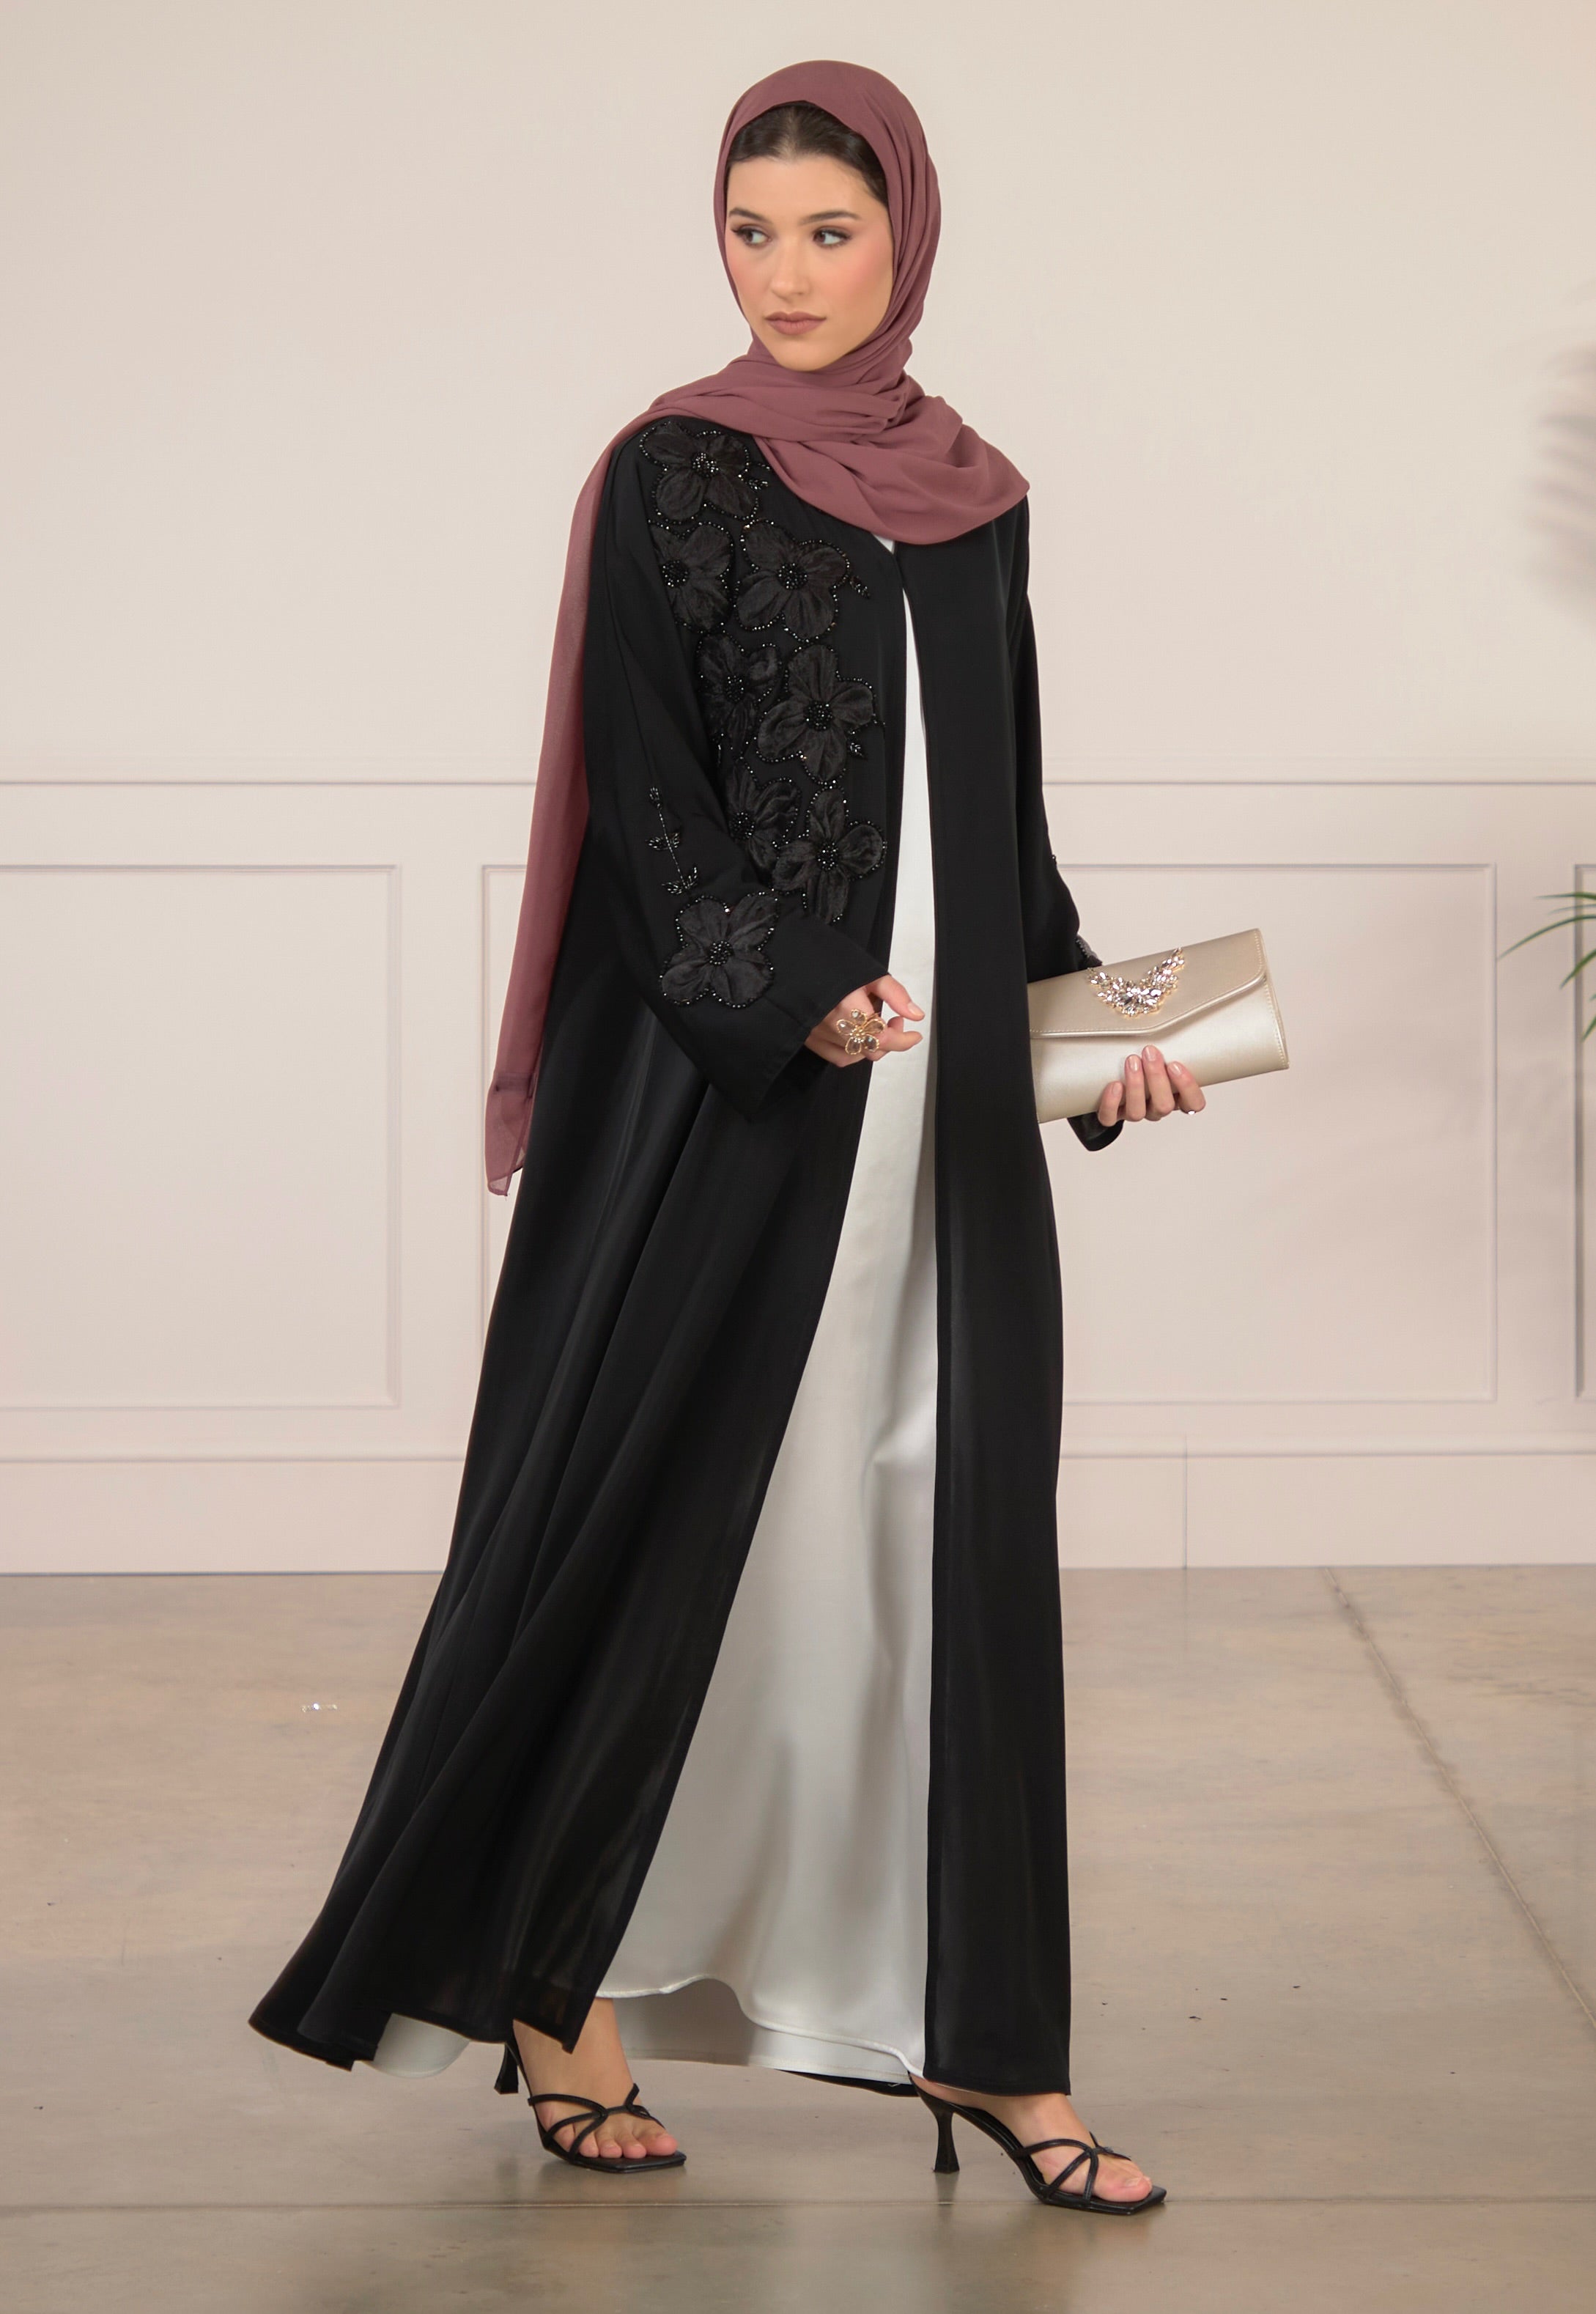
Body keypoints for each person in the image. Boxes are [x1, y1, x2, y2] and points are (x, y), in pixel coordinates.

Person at [251, 59, 1204, 2216]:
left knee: (938, 1559)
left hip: (944, 1113)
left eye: (828, 234)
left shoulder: (976, 494)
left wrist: (1091, 1033)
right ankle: (552, 1994)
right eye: (751, 232)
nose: (784, 275)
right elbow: (650, 799)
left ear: (907, 240)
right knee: (661, 1528)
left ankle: (988, 2048)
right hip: (730, 1098)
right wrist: (794, 995)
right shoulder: (673, 472)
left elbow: (1003, 818)